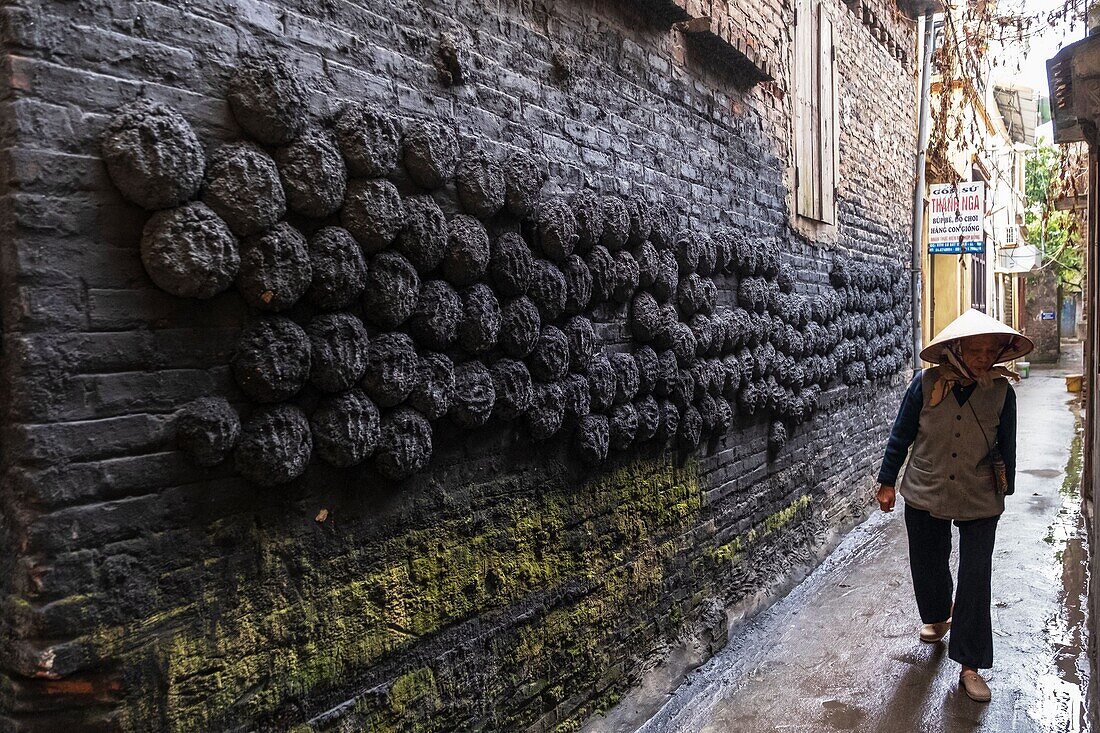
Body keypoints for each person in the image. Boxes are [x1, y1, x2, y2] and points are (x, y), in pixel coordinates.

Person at [875, 308, 1033, 703]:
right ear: (957, 348)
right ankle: (938, 614)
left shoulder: (1002, 392)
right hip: (926, 486)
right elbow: (901, 434)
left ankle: (970, 665)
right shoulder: (926, 384)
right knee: (928, 561)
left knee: (976, 578)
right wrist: (887, 480)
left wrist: (1004, 489)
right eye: (975, 350)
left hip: (979, 494)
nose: (982, 358)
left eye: (989, 351)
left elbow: (1007, 446)